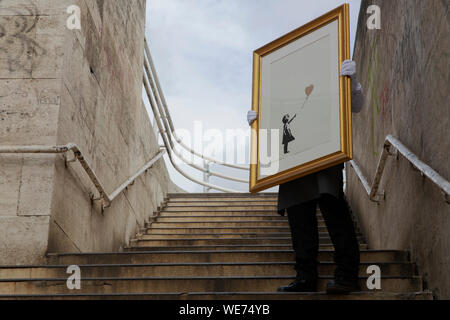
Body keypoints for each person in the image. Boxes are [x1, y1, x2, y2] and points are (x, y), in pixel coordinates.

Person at [247, 60, 365, 294]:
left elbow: (355, 105)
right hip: (293, 164)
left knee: (335, 215)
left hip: (324, 155)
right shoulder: (281, 96)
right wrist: (258, 123)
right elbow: (276, 133)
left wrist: (353, 84)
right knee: (299, 223)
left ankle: (347, 276)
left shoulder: (328, 83)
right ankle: (305, 278)